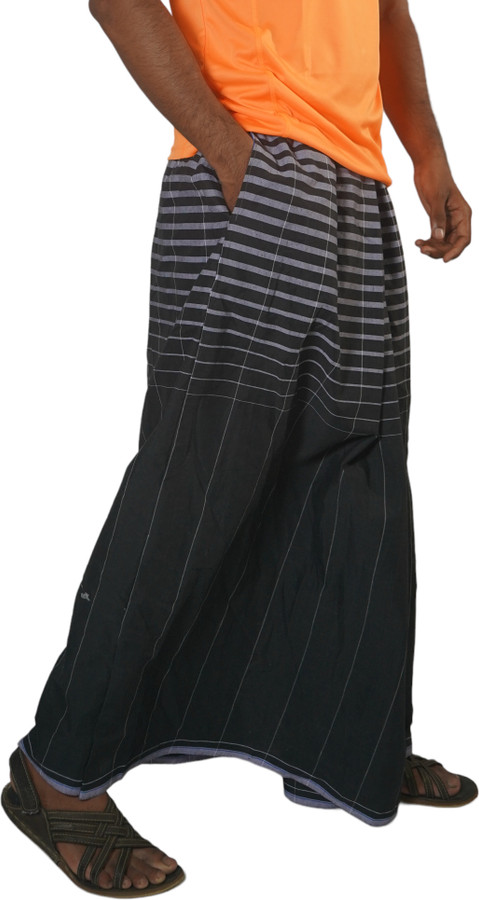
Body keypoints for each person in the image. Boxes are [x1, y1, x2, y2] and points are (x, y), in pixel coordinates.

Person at [2, 0, 477, 895]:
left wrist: (428, 157)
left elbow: (387, 15)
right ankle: (57, 771)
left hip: (354, 184)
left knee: (357, 482)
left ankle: (345, 739)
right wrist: (229, 152)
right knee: (198, 480)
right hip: (253, 165)